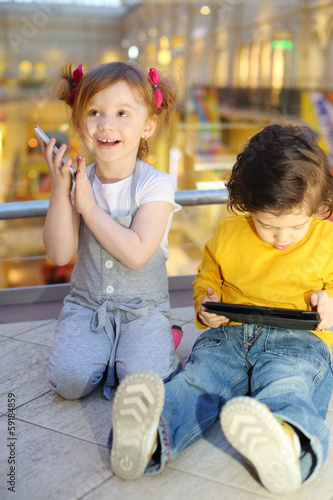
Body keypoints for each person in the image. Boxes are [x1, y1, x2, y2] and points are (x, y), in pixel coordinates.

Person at [110, 124, 333, 495]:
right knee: (198, 381)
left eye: (296, 226)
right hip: (229, 334)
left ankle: (286, 446)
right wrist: (206, 304)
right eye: (267, 225)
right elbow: (206, 279)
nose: (282, 237)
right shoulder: (229, 233)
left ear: (319, 207)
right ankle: (147, 439)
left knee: (288, 384)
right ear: (247, 204)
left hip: (298, 340)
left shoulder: (328, 241)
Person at [40, 61, 182, 401]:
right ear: (78, 121)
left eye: (122, 113)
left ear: (147, 125)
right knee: (69, 383)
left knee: (141, 385)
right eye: (94, 112)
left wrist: (88, 207)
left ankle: (162, 338)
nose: (106, 125)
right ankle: (106, 353)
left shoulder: (156, 184)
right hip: (87, 306)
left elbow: (135, 254)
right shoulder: (78, 181)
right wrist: (62, 190)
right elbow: (59, 254)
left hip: (143, 309)